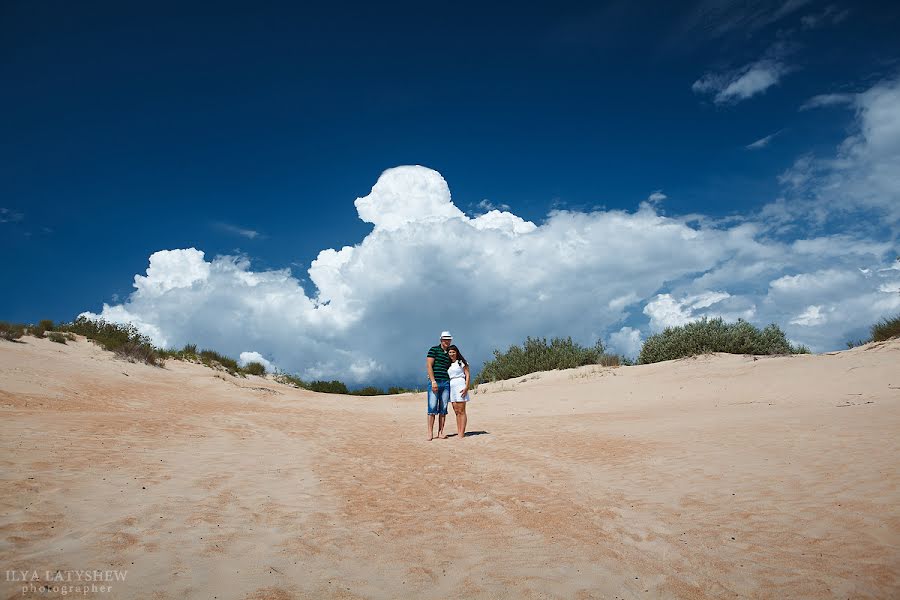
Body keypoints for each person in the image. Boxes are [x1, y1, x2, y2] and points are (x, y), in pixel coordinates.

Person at [425, 331, 453, 441]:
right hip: (435, 382)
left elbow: (456, 361)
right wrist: (433, 381)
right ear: (441, 340)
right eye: (445, 339)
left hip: (446, 383)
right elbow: (429, 365)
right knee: (432, 408)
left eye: (449, 339)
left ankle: (441, 432)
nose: (447, 341)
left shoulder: (450, 353)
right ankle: (430, 433)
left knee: (443, 409)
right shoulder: (433, 350)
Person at [447, 345, 470, 439]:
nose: (452, 354)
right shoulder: (448, 364)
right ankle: (459, 430)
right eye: (450, 352)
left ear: (457, 352)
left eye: (453, 352)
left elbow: (467, 375)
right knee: (456, 411)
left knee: (462, 410)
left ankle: (462, 433)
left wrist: (466, 387)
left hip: (460, 384)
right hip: (452, 387)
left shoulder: (461, 362)